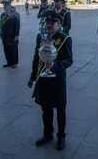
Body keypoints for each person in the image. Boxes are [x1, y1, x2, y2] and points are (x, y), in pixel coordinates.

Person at [28, 10, 73, 151]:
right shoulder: (40, 37)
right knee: (45, 108)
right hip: (43, 79)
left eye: (52, 23)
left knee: (60, 109)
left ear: (58, 24)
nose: (48, 25)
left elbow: (69, 61)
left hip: (58, 80)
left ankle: (61, 136)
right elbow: (36, 58)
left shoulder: (65, 38)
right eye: (47, 22)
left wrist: (55, 65)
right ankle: (48, 134)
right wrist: (32, 76)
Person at [0, 0, 20, 68]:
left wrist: (16, 35)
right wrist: (0, 33)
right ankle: (9, 62)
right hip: (5, 35)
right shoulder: (3, 15)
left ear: (10, 6)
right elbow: (1, 25)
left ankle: (14, 62)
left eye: (7, 6)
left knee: (13, 49)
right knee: (6, 49)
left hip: (12, 35)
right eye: (4, 6)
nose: (5, 7)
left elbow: (17, 26)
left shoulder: (15, 14)